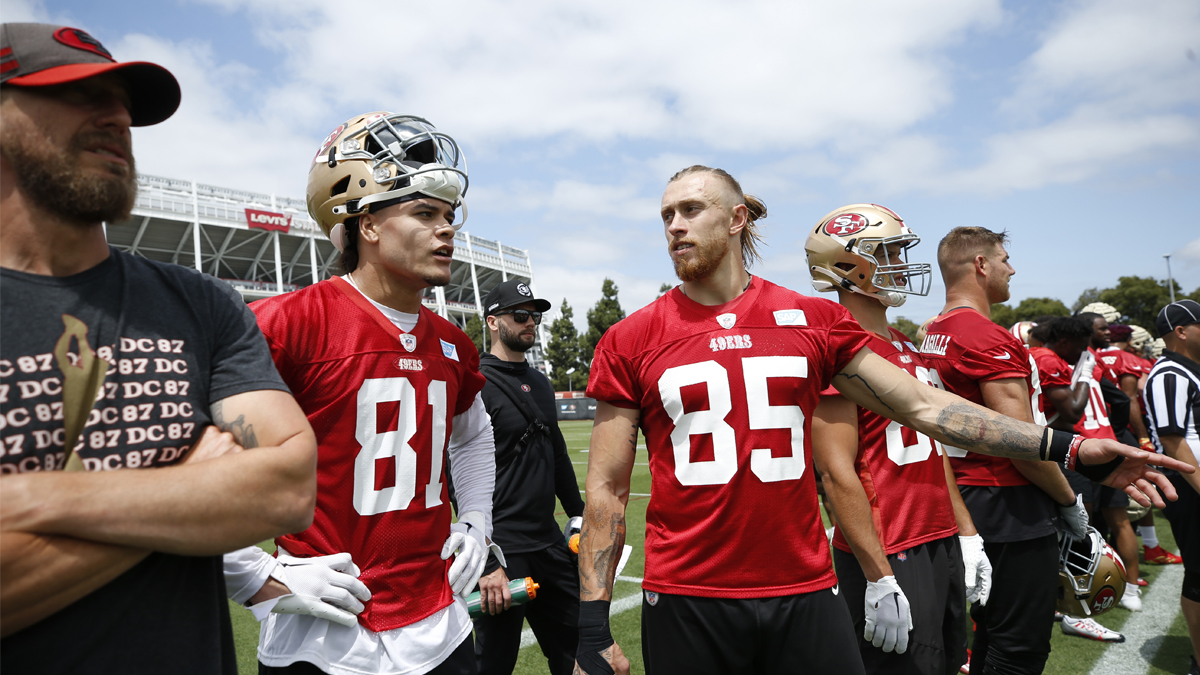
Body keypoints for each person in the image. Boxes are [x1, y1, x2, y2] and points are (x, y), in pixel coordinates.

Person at [572, 166, 1188, 675]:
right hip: (687, 596)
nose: (675, 226)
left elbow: (930, 410)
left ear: (737, 220)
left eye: (691, 209)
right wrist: (592, 625)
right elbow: (605, 489)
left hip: (804, 589)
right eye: (666, 216)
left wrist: (1071, 448)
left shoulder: (810, 320)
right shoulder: (632, 337)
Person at [0, 22, 317, 674]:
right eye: (77, 93)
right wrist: (196, 489)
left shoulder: (200, 304)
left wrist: (34, 500)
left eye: (123, 101)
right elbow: (245, 495)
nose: (117, 116)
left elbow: (285, 489)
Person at [222, 112, 501, 675]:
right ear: (366, 225)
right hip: (327, 633)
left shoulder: (451, 343)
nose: (446, 229)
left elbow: (473, 436)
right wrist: (255, 576)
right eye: (424, 213)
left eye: (448, 216)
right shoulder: (287, 323)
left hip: (438, 623)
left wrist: (474, 519)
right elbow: (186, 455)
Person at [807, 204, 986, 674]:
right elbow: (834, 471)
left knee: (951, 664)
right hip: (890, 548)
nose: (899, 264)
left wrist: (964, 531)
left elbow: (934, 448)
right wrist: (877, 574)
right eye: (887, 252)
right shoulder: (835, 348)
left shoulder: (906, 344)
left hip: (938, 538)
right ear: (849, 265)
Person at [918, 227, 1093, 674]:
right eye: (1003, 259)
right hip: (1005, 498)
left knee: (990, 633)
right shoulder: (985, 336)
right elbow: (1018, 441)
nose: (1011, 268)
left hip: (962, 494)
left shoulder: (933, 331)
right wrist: (1068, 499)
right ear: (980, 265)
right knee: (1019, 646)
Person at [463, 279, 585, 675]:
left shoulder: (542, 383)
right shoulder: (476, 386)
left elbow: (558, 454)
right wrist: (484, 564)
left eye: (535, 315)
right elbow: (456, 479)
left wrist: (581, 514)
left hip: (549, 542)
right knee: (494, 664)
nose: (531, 322)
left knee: (578, 652)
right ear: (493, 322)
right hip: (503, 547)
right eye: (521, 315)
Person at [1029, 317, 1141, 628]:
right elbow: (1117, 400)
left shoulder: (1049, 359)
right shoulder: (1054, 359)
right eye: (1080, 347)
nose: (1084, 353)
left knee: (1080, 532)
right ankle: (1125, 589)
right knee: (1100, 526)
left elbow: (1070, 414)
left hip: (1079, 449)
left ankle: (1075, 604)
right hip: (1099, 446)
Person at [1143, 299, 1200, 675]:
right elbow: (1173, 440)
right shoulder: (1169, 374)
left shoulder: (1188, 371)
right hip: (1190, 483)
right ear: (1181, 331)